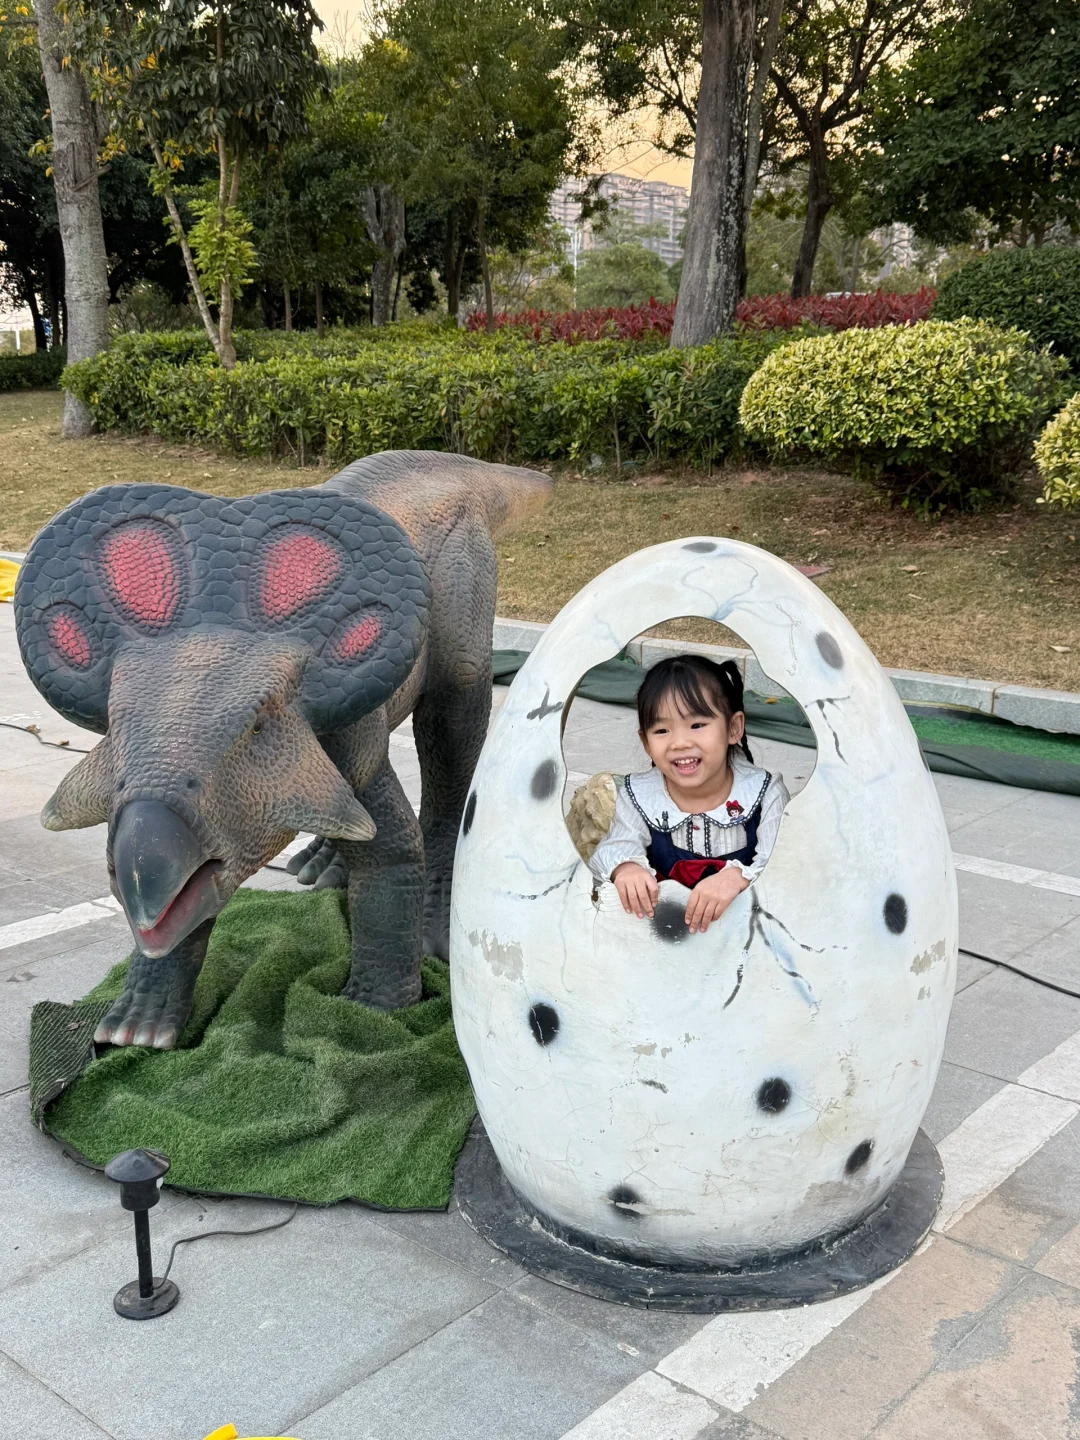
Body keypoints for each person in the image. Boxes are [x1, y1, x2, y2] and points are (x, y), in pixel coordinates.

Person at [588, 654, 789, 934]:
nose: (680, 742)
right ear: (646, 743)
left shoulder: (764, 794)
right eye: (661, 730)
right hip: (667, 939)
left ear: (733, 728)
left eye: (696, 725)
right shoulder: (640, 796)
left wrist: (737, 878)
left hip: (748, 940)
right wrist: (625, 869)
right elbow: (614, 847)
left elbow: (788, 867)